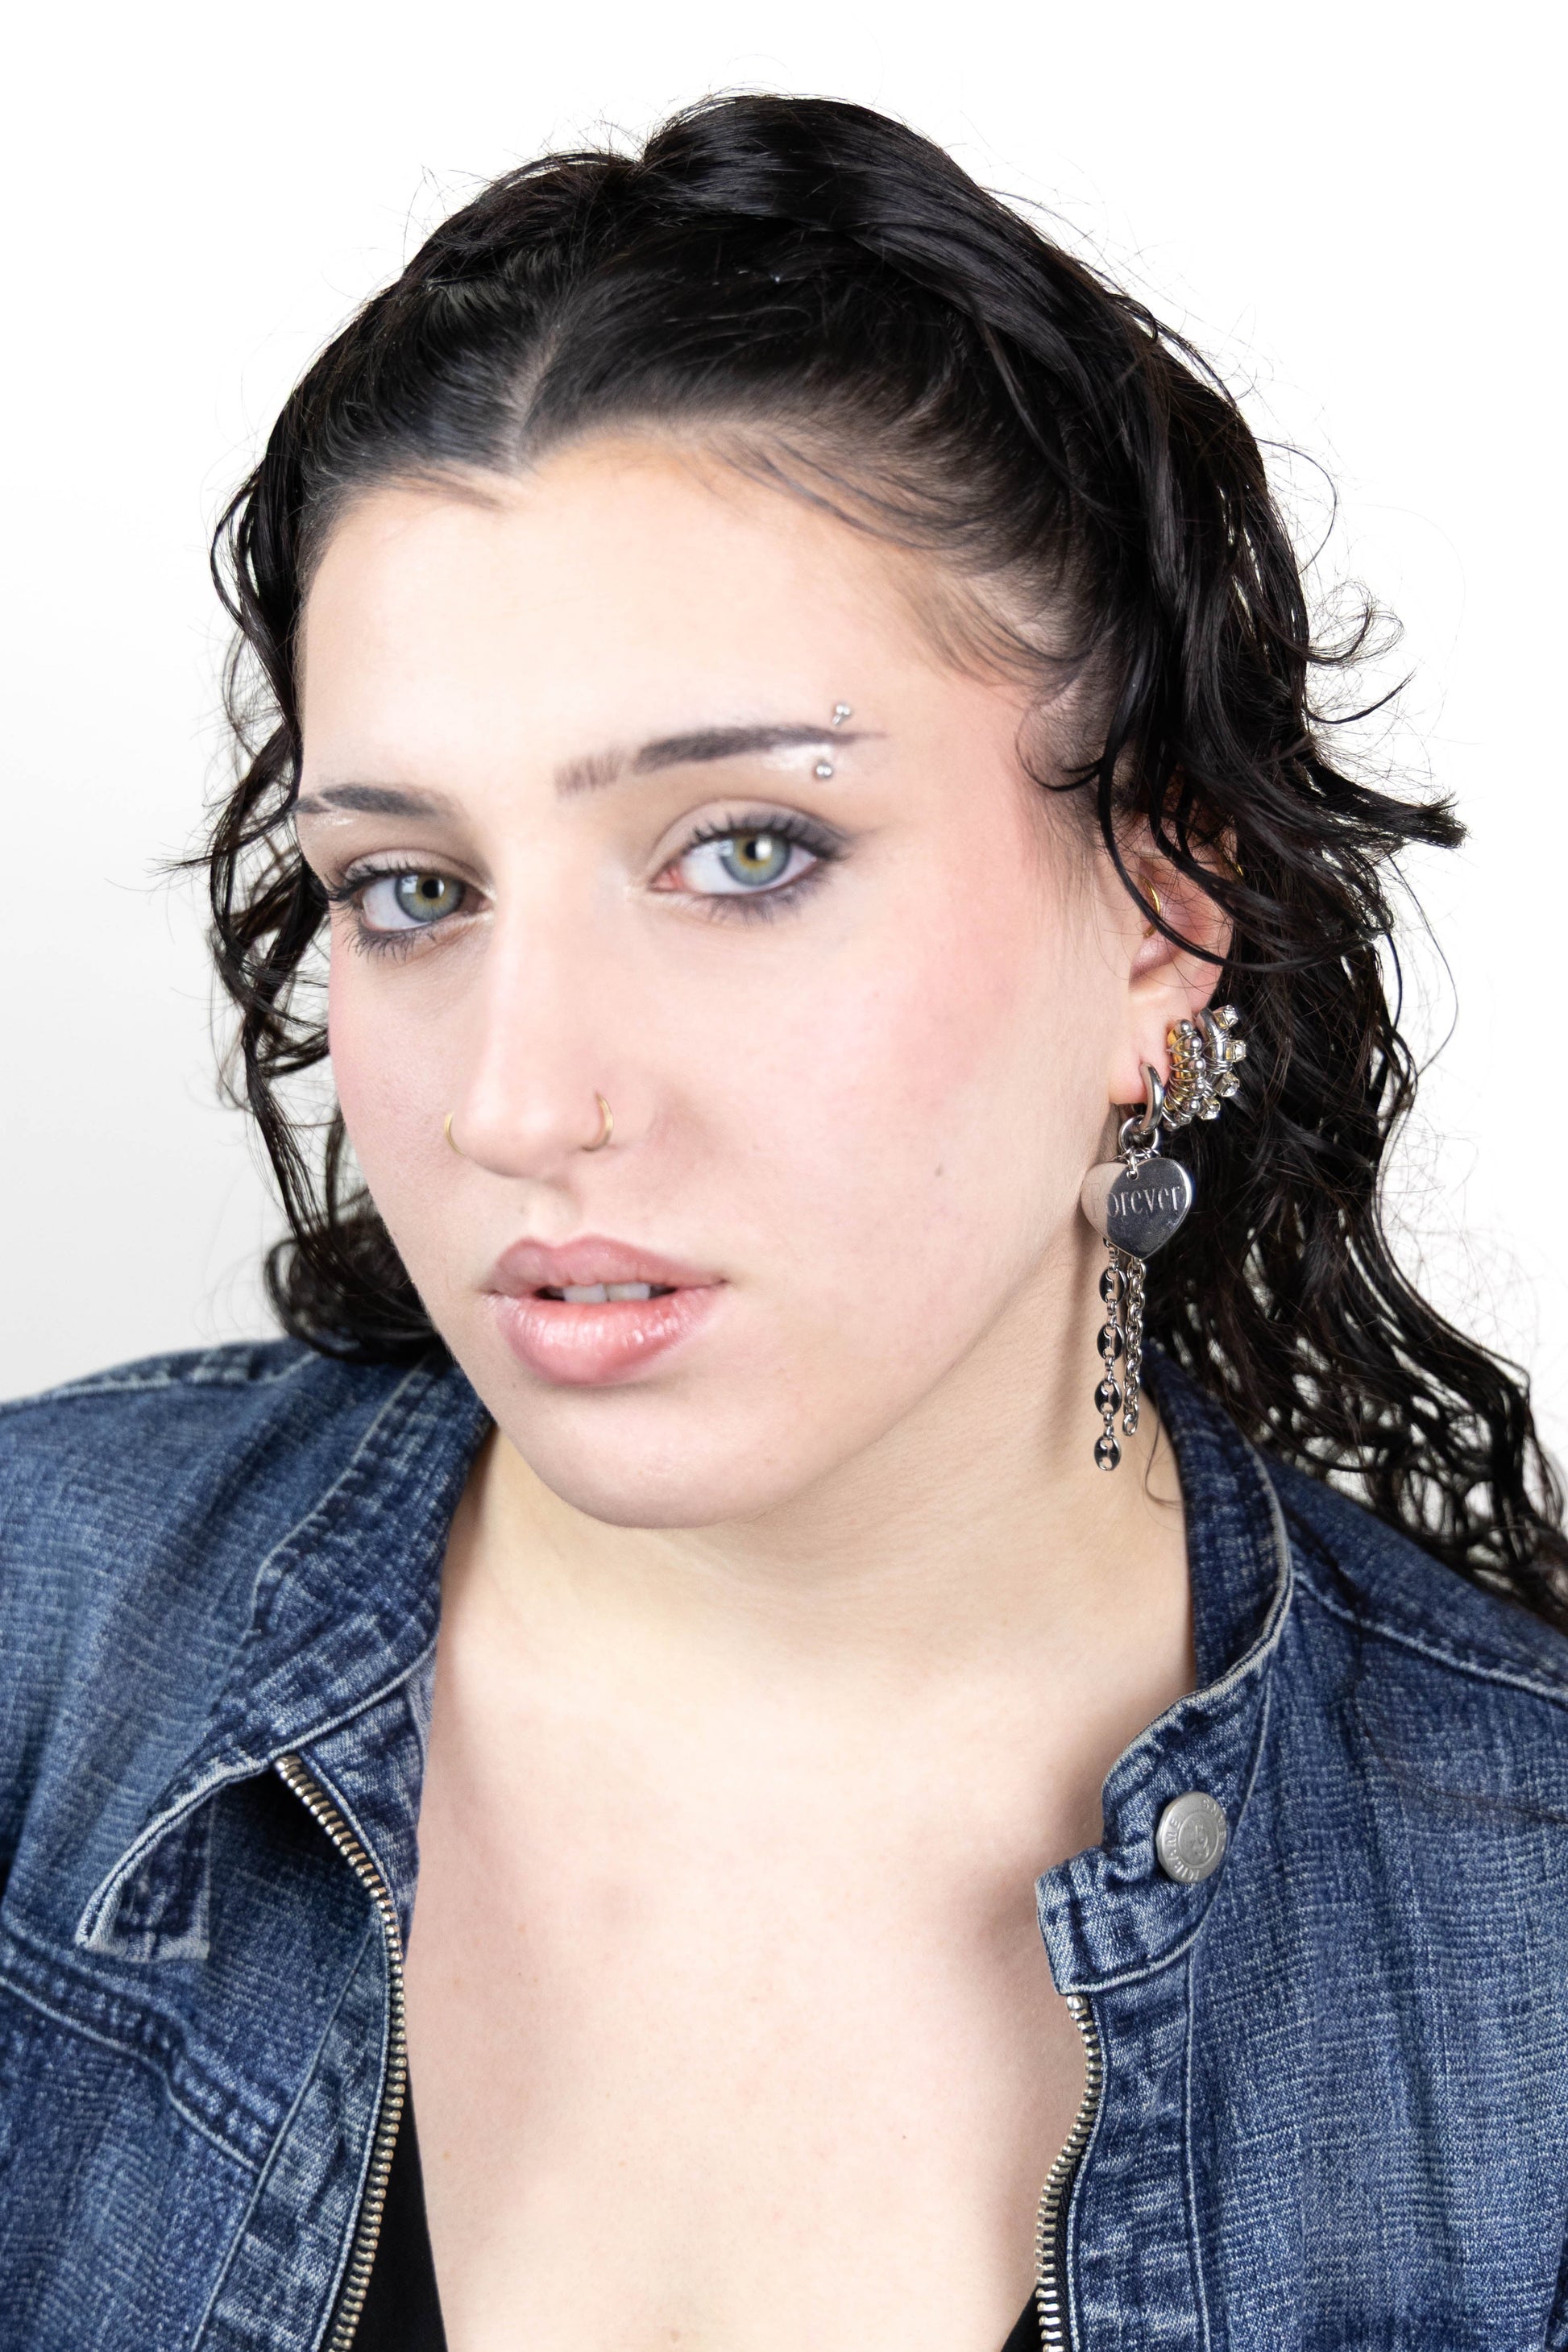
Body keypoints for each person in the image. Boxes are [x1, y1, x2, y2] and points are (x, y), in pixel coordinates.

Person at [2, 91, 1566, 2352]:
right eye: (412, 889)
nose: (521, 1102)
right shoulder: (40, 1634)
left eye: (746, 851)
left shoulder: (1520, 1947)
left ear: (1161, 911)